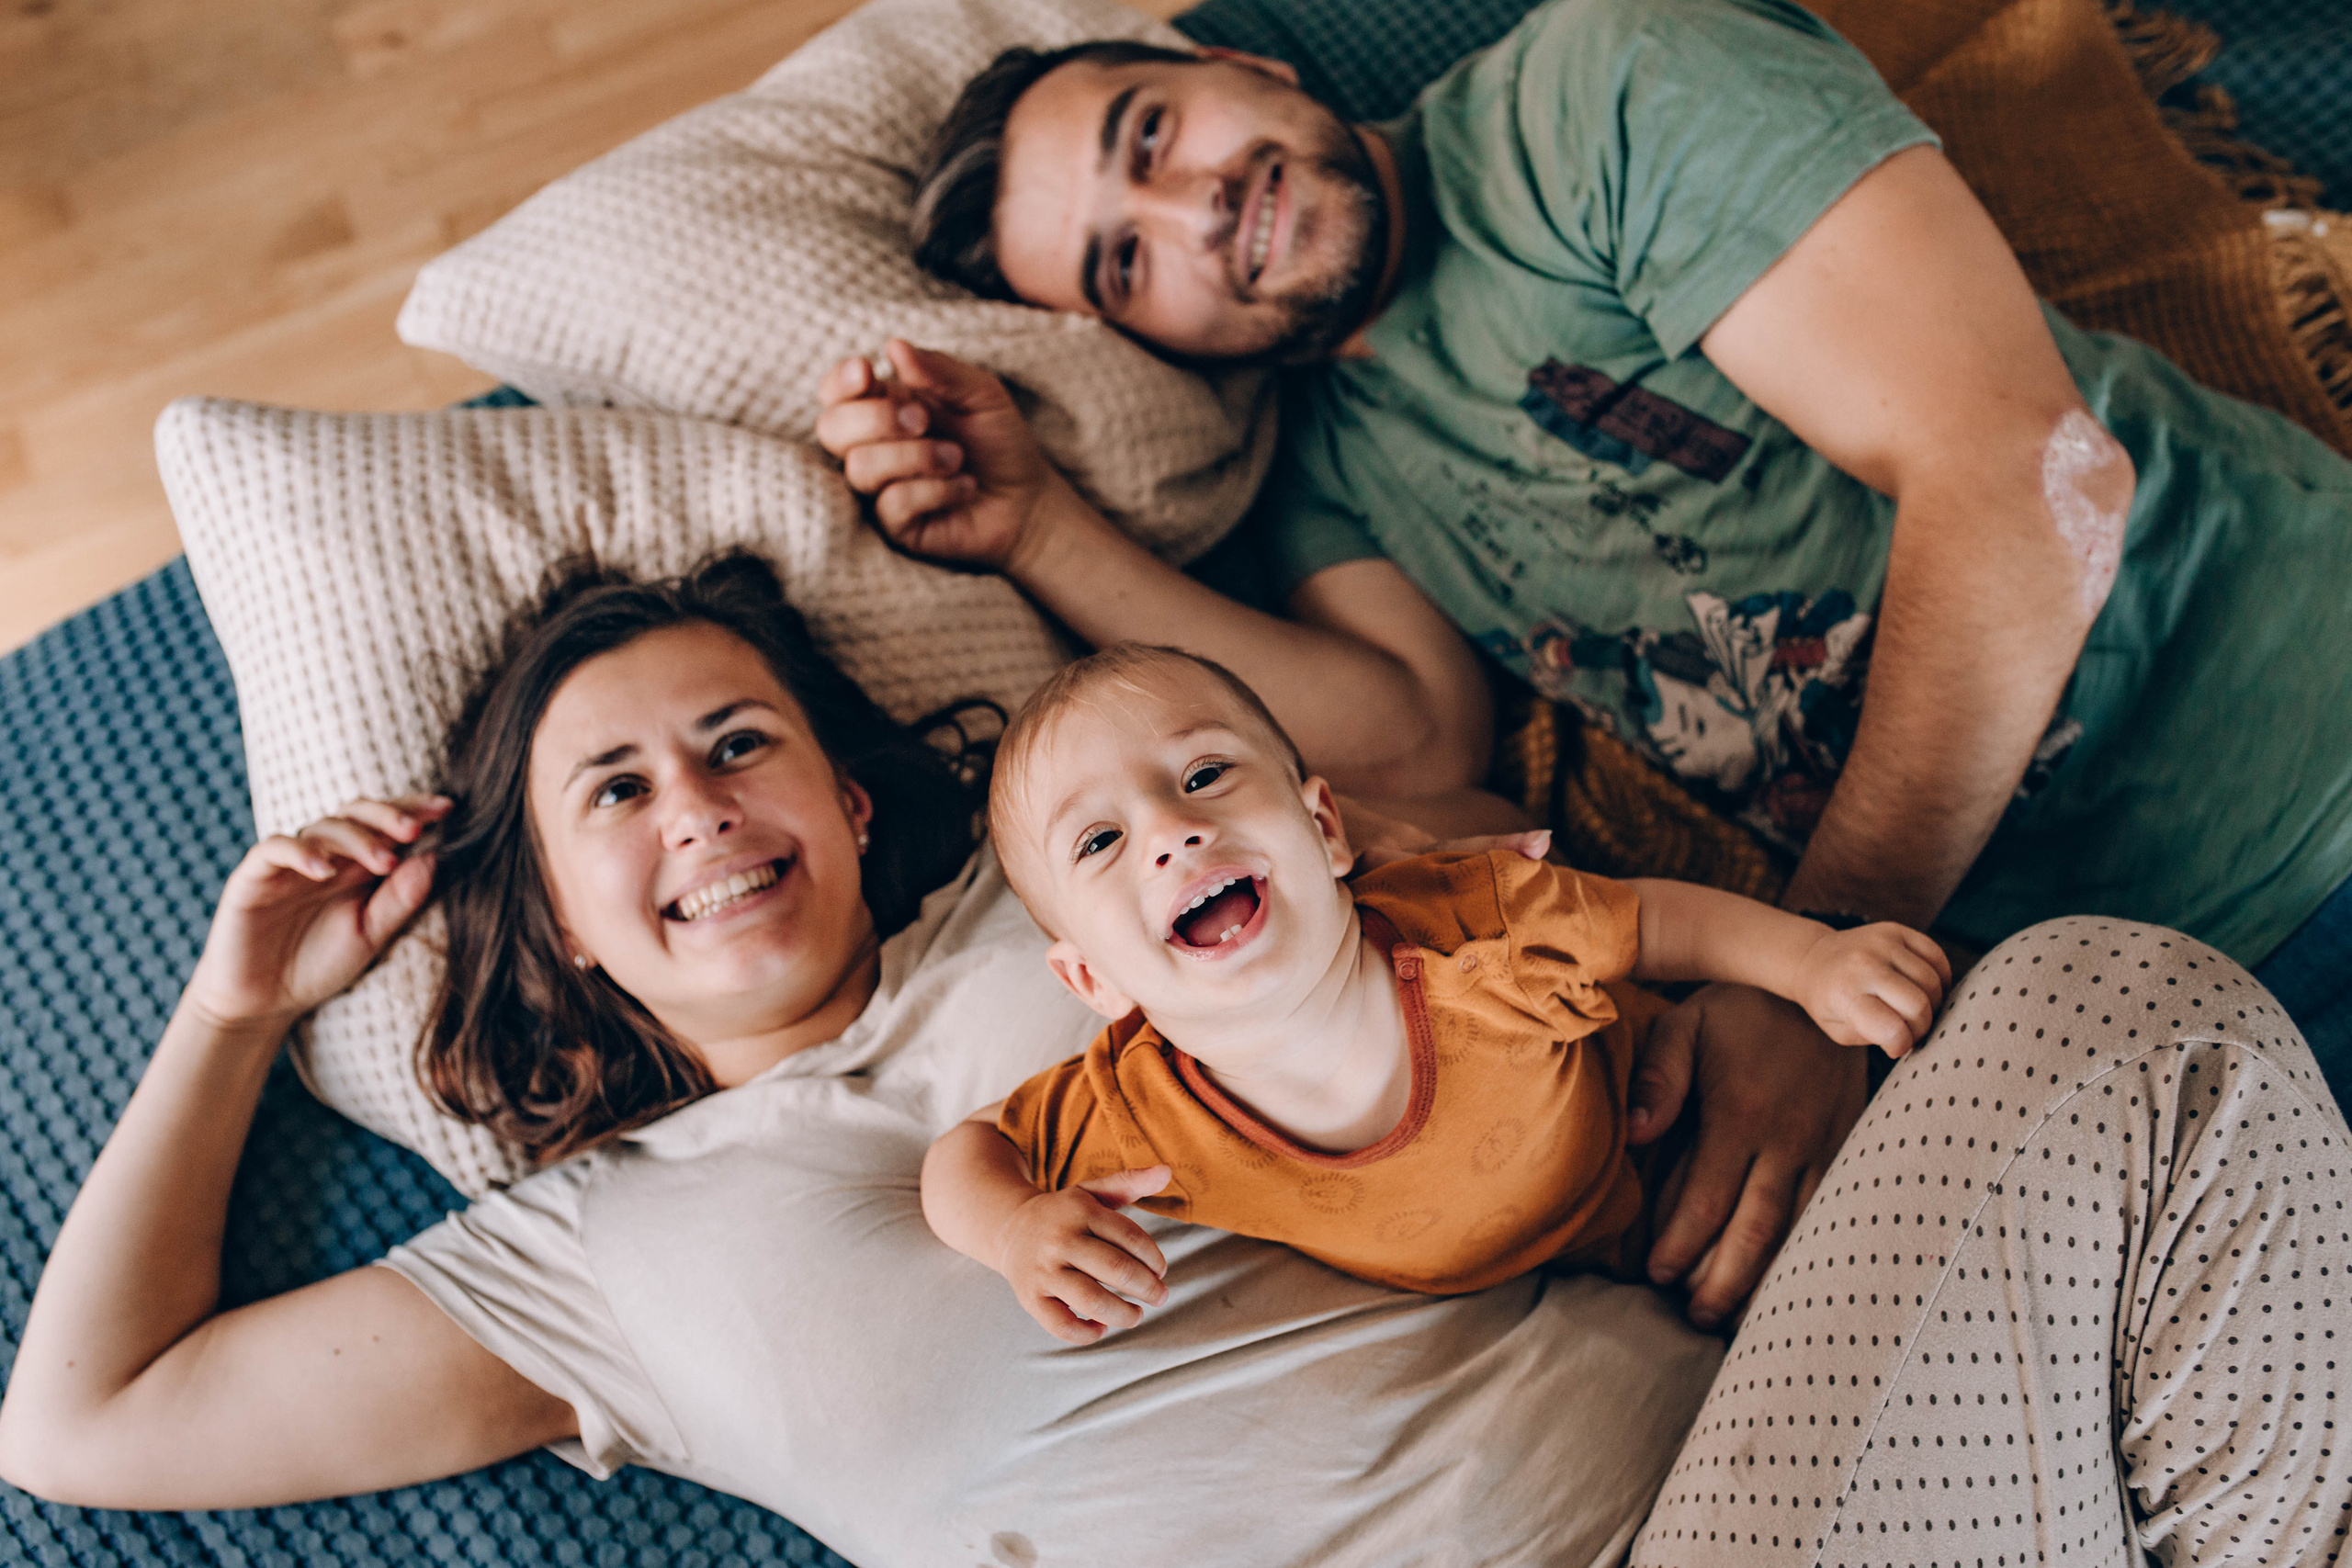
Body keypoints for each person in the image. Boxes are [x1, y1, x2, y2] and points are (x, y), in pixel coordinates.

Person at [0, 550, 1878, 1563]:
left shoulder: (1090, 861)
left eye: (740, 742)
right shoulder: (589, 1258)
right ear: (561, 911)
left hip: (1747, 1457)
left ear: (837, 783)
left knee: (2080, 993)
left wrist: (1759, 1015)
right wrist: (232, 1008)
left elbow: (1485, 855)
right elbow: (80, 1427)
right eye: (618, 792)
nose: (703, 810)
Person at [817, 0, 2352, 1092]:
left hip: (2311, 777)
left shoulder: (1604, 83)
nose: (1195, 211)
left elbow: (2027, 483)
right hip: (2103, 1016)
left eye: (1151, 134)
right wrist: (1037, 528)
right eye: (1124, 260)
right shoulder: (1315, 467)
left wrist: (1795, 981)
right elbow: (1412, 736)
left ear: (1235, 57)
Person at [923, 644, 1950, 1338]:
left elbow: (1652, 921)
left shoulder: (1464, 921)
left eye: (1203, 776)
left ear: (1326, 830)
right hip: (1642, 1295)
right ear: (1089, 978)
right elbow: (965, 1158)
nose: (1169, 831)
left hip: (1691, 1127)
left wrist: (1810, 963)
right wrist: (1014, 1230)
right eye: (1099, 841)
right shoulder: (1139, 1110)